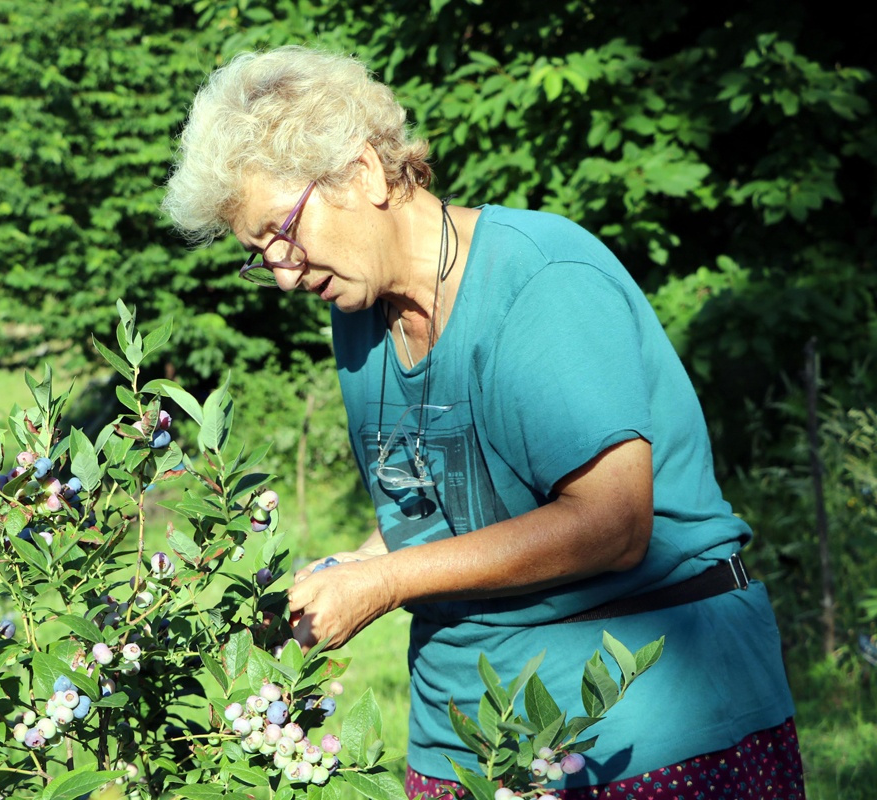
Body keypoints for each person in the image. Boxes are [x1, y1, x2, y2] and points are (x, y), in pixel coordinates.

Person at [162, 46, 805, 799]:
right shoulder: (361, 322)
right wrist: (354, 570)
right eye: (258, 253)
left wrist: (389, 582)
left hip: (643, 734)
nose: (282, 271)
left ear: (362, 172)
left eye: (284, 231)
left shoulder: (542, 282)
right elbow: (429, 516)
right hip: (465, 746)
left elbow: (613, 522)